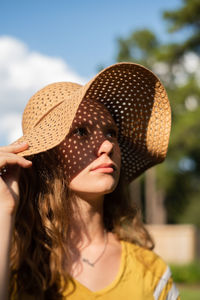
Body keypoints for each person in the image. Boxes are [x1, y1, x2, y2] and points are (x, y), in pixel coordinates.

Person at [0, 62, 180, 299]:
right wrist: (4, 210)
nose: (107, 146)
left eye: (110, 133)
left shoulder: (151, 271)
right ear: (47, 156)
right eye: (81, 132)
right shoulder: (14, 264)